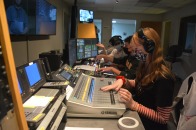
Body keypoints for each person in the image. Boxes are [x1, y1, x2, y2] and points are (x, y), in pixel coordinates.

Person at [100, 27, 175, 130]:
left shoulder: (164, 78)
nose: (134, 54)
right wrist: (123, 80)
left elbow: (163, 118)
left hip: (149, 125)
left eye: (136, 50)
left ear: (150, 47)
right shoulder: (145, 65)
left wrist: (134, 105)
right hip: (138, 116)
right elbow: (140, 83)